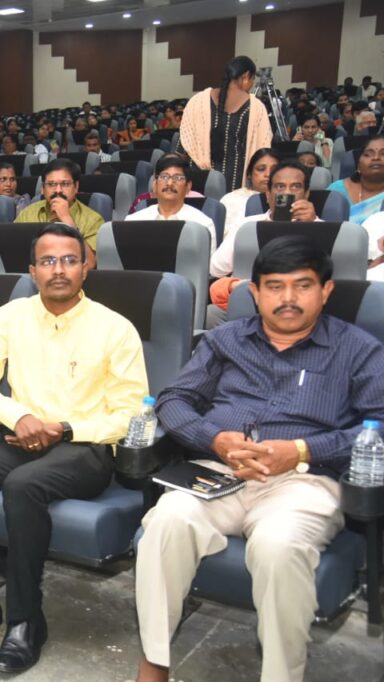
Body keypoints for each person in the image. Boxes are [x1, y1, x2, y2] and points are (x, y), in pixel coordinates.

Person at [134, 235, 384, 682]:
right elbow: (174, 400)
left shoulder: (358, 349)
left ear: (325, 290)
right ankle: (154, 664)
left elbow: (380, 424)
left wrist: (303, 450)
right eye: (274, 286)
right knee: (167, 521)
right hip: (219, 473)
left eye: (302, 285)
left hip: (304, 482)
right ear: (255, 292)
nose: (288, 298)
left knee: (279, 546)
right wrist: (215, 440)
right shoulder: (224, 340)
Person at [0, 223, 147, 674]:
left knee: (23, 485)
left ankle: (26, 620)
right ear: (32, 271)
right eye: (48, 261)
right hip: (21, 434)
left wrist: (64, 429)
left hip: (85, 446)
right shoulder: (11, 316)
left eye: (69, 260)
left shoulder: (115, 328)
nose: (59, 270)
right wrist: (19, 417)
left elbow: (129, 414)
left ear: (85, 268)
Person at [208, 158, 319, 323]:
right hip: (249, 303)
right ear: (268, 195)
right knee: (210, 314)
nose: (287, 193)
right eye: (280, 187)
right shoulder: (247, 226)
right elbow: (216, 269)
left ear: (307, 194)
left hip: (301, 305)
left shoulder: (320, 226)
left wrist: (312, 224)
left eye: (295, 187)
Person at [178, 56, 273, 190]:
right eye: (252, 80)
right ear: (246, 76)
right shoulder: (256, 108)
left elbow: (182, 148)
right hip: (236, 186)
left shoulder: (197, 101)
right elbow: (262, 151)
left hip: (198, 183)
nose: (252, 85)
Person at [15, 158, 102, 268]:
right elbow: (13, 252)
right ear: (43, 188)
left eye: (65, 184)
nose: (58, 190)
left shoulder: (93, 219)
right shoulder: (28, 213)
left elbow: (90, 263)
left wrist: (68, 222)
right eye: (51, 184)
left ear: (76, 187)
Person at [126, 156, 217, 253]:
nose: (169, 183)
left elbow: (207, 262)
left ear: (188, 186)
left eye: (178, 178)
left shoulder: (203, 225)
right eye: (164, 177)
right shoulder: (132, 222)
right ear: (155, 184)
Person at [219, 148, 280, 244]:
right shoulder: (231, 199)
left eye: (274, 170)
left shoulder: (286, 199)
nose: (268, 174)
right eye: (261, 169)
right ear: (249, 174)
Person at [326, 135, 384, 224]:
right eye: (368, 154)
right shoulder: (336, 191)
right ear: (358, 165)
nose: (376, 158)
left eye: (383, 154)